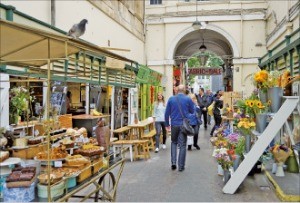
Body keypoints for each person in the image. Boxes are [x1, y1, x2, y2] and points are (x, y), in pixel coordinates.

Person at [165, 84, 195, 172]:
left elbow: (167, 113)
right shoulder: (188, 99)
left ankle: (173, 162)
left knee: (173, 142)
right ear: (184, 90)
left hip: (174, 124)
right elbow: (192, 111)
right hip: (183, 125)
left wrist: (167, 125)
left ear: (177, 90)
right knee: (182, 145)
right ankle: (181, 166)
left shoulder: (171, 99)